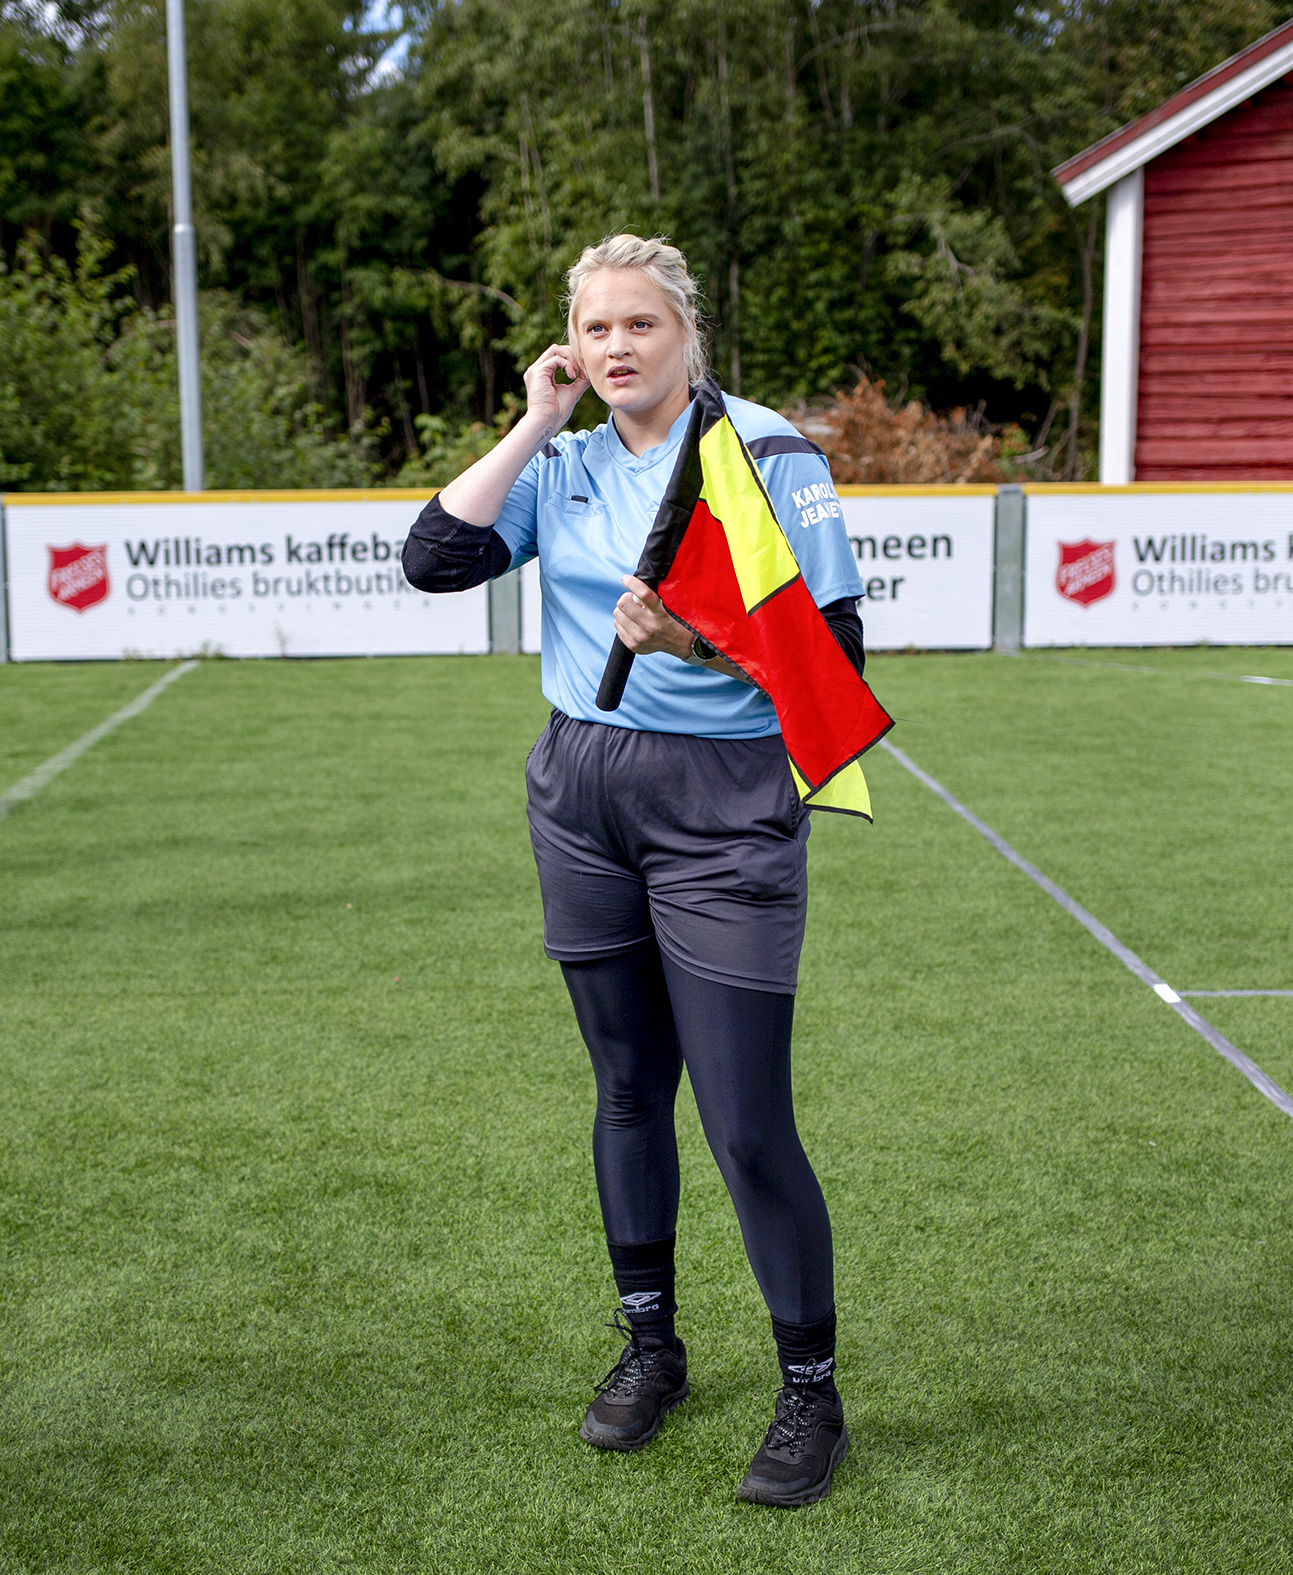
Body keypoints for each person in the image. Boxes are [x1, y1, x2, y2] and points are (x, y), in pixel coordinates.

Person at [404, 234, 867, 1506]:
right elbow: (433, 560)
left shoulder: (763, 453)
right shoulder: (558, 459)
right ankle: (652, 1347)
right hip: (580, 791)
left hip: (722, 804)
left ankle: (809, 1398)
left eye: (641, 326)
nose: (617, 347)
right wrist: (531, 418)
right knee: (623, 1088)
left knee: (742, 1119)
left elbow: (840, 660)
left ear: (688, 335)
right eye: (595, 328)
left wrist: (703, 643)